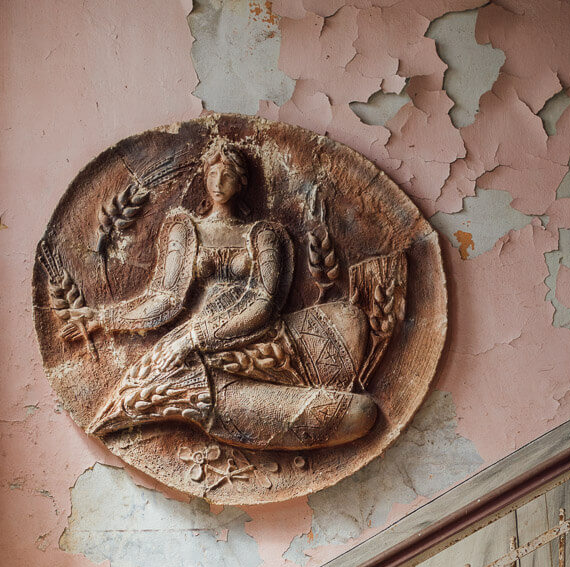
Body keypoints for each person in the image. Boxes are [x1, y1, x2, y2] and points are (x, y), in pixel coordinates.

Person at [63, 142, 377, 450]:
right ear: (204, 176)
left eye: (227, 176)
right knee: (152, 385)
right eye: (213, 174)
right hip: (195, 344)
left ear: (242, 183)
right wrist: (103, 319)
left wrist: (199, 336)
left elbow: (265, 303)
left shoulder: (263, 235)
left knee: (348, 320)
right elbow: (165, 300)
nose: (218, 183)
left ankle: (301, 388)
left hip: (256, 334)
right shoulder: (186, 231)